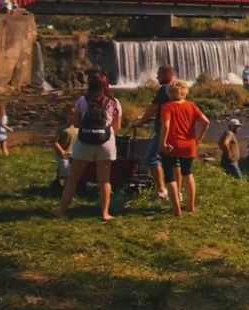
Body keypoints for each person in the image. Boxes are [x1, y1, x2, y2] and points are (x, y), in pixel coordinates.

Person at [57, 70, 122, 221]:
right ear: (106, 85)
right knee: (104, 180)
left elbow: (78, 123)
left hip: (84, 141)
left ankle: (61, 211)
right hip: (106, 142)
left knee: (73, 179)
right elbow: (116, 127)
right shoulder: (114, 102)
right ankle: (105, 213)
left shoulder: (81, 101)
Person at [159, 80, 210, 216]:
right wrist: (199, 138)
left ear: (170, 93)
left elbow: (166, 125)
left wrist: (162, 143)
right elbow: (206, 121)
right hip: (189, 145)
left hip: (171, 145)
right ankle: (190, 205)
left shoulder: (167, 107)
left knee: (170, 176)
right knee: (187, 173)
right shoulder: (192, 106)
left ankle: (176, 209)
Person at [132, 65, 174, 199]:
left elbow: (154, 108)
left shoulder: (164, 89)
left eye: (159, 74)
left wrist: (141, 121)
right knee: (174, 161)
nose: (157, 77)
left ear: (166, 74)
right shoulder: (175, 89)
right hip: (175, 130)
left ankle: (161, 190)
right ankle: (176, 191)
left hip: (163, 130)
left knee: (151, 158)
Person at [52, 121, 78, 191]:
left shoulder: (78, 128)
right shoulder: (61, 129)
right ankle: (65, 190)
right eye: (71, 114)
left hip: (74, 154)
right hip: (63, 154)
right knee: (65, 173)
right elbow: (55, 142)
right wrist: (62, 151)